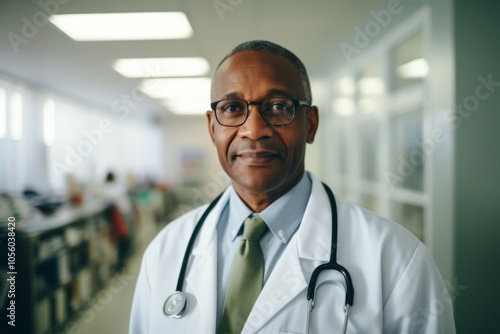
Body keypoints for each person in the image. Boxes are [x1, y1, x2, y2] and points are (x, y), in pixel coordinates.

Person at [129, 40, 456, 333]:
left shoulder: (397, 259)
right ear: (212, 128)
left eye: (279, 107)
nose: (254, 130)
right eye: (232, 108)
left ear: (310, 124)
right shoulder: (165, 250)